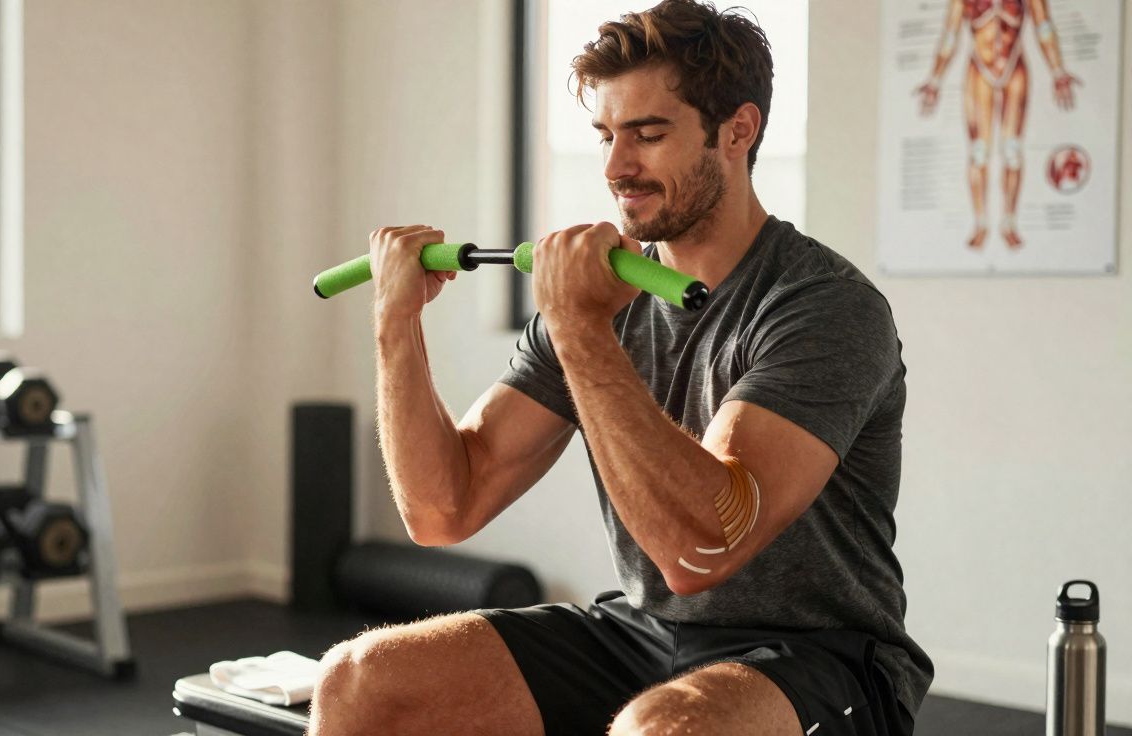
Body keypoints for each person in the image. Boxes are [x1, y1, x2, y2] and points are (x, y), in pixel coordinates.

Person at [309, 1, 933, 734]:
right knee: (360, 682)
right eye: (607, 135)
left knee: (663, 731)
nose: (615, 167)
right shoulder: (600, 304)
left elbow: (703, 549)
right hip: (647, 630)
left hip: (820, 655)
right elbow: (444, 507)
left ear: (738, 130)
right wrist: (396, 322)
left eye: (648, 134)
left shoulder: (823, 307)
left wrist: (579, 327)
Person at [916, 0, 1079, 249]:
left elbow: (1043, 26)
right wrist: (935, 79)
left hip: (1015, 68)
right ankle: (981, 224)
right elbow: (950, 34)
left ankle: (1009, 222)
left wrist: (1058, 71)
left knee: (1012, 152)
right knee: (979, 152)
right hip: (979, 70)